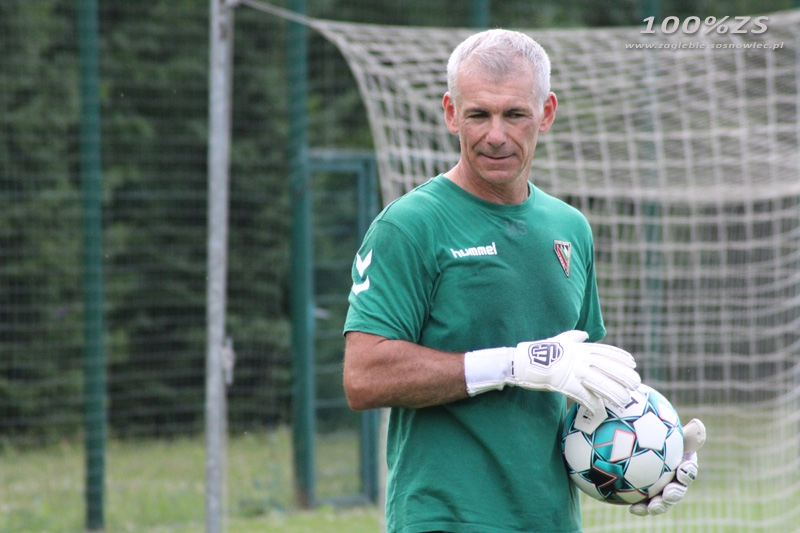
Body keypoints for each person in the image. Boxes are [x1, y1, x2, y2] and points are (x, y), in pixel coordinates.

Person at [342, 29, 703, 533]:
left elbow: (578, 385)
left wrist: (651, 454)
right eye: (478, 115)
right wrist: (512, 364)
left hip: (551, 520)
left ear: (546, 113)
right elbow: (363, 377)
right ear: (450, 113)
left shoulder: (570, 228)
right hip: (444, 519)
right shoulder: (409, 225)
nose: (496, 134)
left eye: (514, 114)